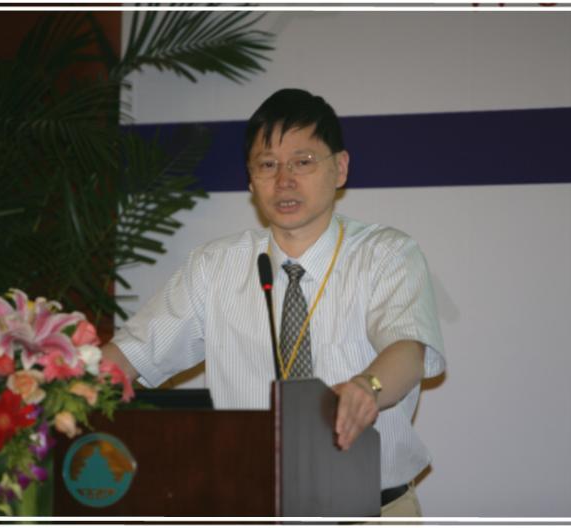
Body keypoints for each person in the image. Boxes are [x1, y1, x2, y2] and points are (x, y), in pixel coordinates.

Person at [102, 88, 445, 516]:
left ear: (340, 168)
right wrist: (52, 392)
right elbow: (127, 357)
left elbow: (408, 351)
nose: (284, 180)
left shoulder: (385, 254)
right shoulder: (215, 267)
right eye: (267, 165)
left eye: (303, 161)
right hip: (251, 508)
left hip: (369, 511)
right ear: (250, 180)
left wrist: (367, 387)